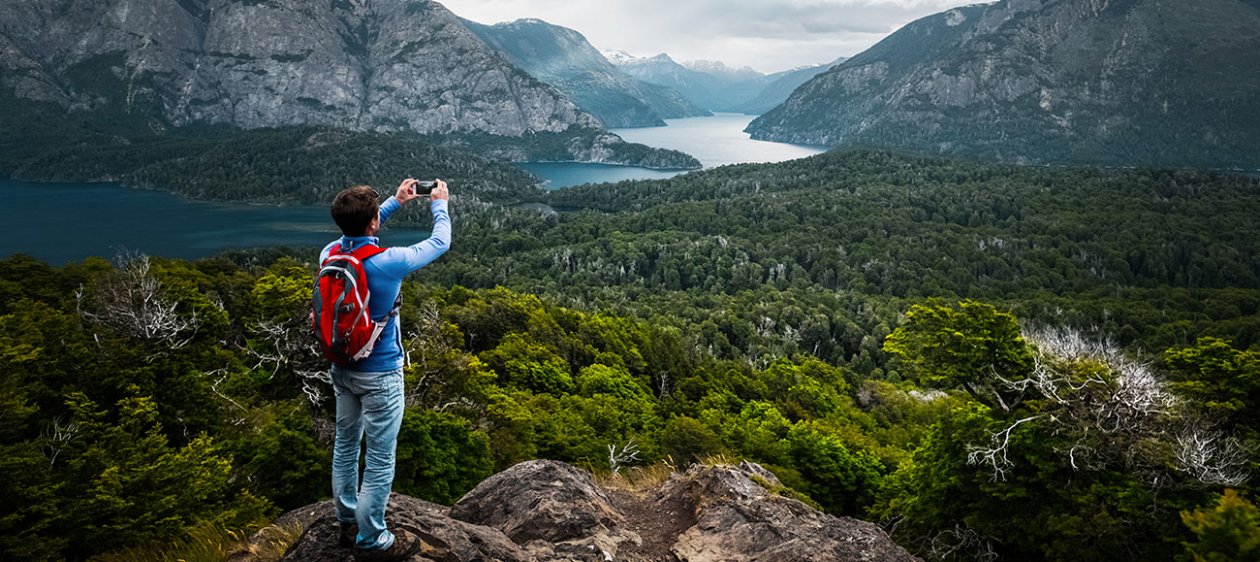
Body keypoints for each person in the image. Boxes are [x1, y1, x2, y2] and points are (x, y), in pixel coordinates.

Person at [322, 178, 450, 561]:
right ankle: (372, 539)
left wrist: (393, 202)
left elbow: (358, 232)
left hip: (341, 368)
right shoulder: (389, 263)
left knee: (345, 444)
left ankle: (347, 519)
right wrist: (438, 204)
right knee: (379, 457)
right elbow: (439, 242)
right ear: (374, 223)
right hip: (380, 373)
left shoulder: (329, 254)